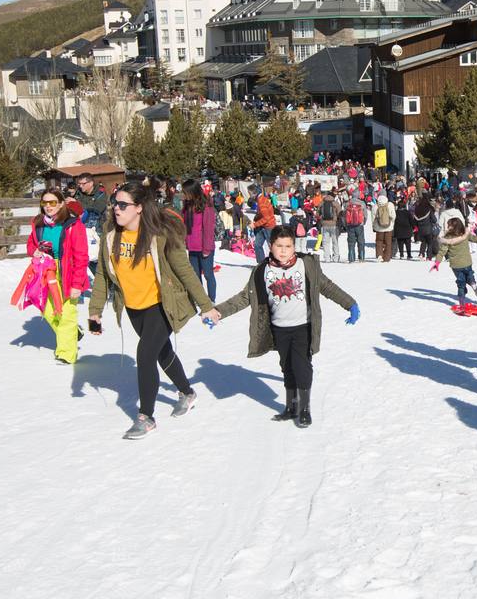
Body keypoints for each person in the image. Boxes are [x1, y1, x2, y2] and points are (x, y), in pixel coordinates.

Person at [88, 179, 219, 440]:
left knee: (145, 354)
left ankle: (145, 417)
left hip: (162, 305)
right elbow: (103, 274)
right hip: (134, 308)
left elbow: (185, 270)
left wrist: (206, 306)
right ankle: (187, 392)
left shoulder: (159, 235)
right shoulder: (111, 234)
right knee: (162, 352)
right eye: (115, 203)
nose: (116, 208)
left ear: (138, 207)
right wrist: (95, 311)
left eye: (123, 205)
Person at [214, 225, 359, 428]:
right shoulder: (262, 271)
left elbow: (326, 286)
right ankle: (291, 406)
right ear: (270, 246)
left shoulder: (306, 264)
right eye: (279, 246)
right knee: (287, 367)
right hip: (278, 328)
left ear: (294, 247)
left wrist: (349, 303)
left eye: (288, 246)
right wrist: (219, 311)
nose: (283, 250)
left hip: (303, 326)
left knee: (301, 366)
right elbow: (244, 298)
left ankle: (305, 407)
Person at [25, 189, 90, 364]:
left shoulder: (73, 224)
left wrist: (77, 284)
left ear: (61, 203)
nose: (48, 206)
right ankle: (73, 333)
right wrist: (35, 251)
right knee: (46, 309)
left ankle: (66, 354)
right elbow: (30, 245)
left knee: (66, 313)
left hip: (68, 273)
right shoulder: (38, 223)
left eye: (52, 202)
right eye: (45, 203)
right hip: (45, 272)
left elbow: (81, 256)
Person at [432, 209, 477, 306]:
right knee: (469, 276)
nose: (447, 227)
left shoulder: (447, 239)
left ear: (454, 227)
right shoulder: (465, 234)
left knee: (461, 283)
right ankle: (473, 284)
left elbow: (442, 252)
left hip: (456, 266)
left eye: (449, 225)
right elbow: (476, 239)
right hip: (466, 263)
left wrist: (437, 262)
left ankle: (462, 302)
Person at [251, 185, 277, 262]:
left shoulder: (261, 201)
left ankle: (277, 262)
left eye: (251, 193)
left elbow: (266, 218)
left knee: (272, 246)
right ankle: (261, 264)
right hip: (263, 226)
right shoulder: (260, 199)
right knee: (257, 244)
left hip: (269, 227)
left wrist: (254, 225)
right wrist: (256, 219)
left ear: (255, 193)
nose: (250, 195)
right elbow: (262, 214)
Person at [342, 193, 367, 263]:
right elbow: (365, 214)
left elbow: (344, 216)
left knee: (351, 242)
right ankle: (361, 258)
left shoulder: (347, 204)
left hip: (350, 225)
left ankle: (351, 258)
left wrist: (346, 224)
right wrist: (363, 222)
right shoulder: (362, 203)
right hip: (360, 225)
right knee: (361, 241)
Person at [372, 194, 396, 261]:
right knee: (388, 243)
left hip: (379, 228)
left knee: (379, 241)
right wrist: (392, 223)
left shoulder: (375, 206)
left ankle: (379, 255)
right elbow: (393, 216)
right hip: (389, 227)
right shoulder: (390, 205)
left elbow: (373, 218)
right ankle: (387, 258)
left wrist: (373, 226)